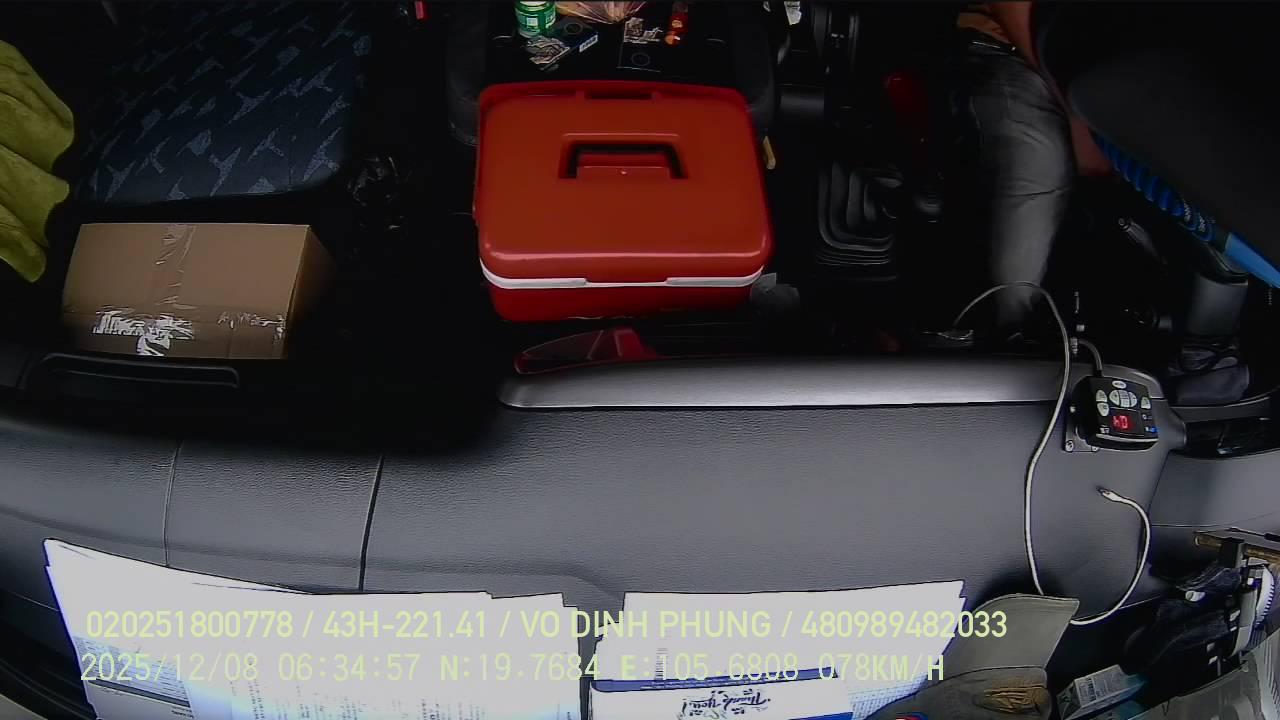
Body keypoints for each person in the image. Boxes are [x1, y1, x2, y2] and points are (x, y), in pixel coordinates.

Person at [945, 2, 1108, 333]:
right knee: (1039, 175)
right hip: (1019, 57)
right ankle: (1008, 334)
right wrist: (1079, 117)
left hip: (1124, 72)